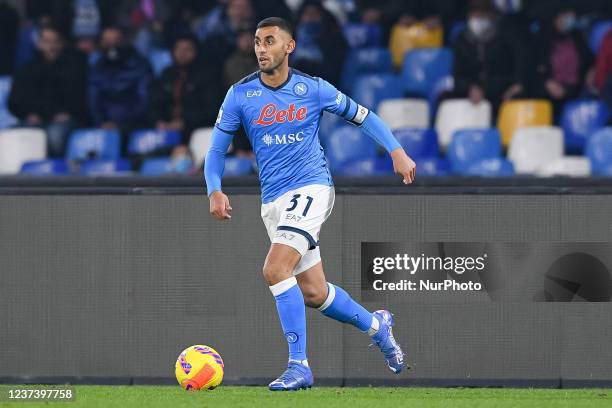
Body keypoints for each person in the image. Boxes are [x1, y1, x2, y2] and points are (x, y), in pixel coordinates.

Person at [204, 17, 416, 391]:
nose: (261, 48)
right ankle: (377, 326)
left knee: (274, 269)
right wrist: (214, 189)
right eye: (257, 41)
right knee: (314, 292)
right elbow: (216, 149)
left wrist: (396, 151)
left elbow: (363, 116)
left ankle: (298, 366)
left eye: (270, 41)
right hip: (273, 201)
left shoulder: (313, 89)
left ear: (289, 47)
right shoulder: (240, 94)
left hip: (312, 188)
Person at [8, 25, 88, 156]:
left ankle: (57, 172)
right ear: (39, 44)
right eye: (46, 42)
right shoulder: (27, 69)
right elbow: (14, 101)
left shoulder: (75, 67)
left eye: (55, 42)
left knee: (55, 137)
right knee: (16, 136)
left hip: (64, 118)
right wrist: (29, 114)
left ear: (62, 44)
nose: (51, 46)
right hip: (34, 118)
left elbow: (79, 98)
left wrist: (68, 113)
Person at [452, 0, 527, 110]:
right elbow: (458, 75)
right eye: (475, 15)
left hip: (502, 93)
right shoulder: (462, 40)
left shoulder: (506, 36)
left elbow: (520, 60)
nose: (478, 19)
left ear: (492, 16)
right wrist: (470, 88)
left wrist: (517, 84)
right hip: (472, 96)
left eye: (483, 15)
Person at [149, 34, 222, 142]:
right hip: (166, 131)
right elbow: (154, 104)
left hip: (198, 131)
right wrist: (158, 121)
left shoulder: (207, 75)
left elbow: (211, 109)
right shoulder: (167, 75)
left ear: (196, 52)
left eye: (187, 49)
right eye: (178, 48)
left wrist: (184, 122)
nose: (182, 53)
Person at [88, 26, 152, 148]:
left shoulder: (140, 64)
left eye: (116, 41)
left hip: (133, 124)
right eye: (107, 41)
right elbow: (93, 99)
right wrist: (102, 122)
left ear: (124, 41)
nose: (112, 45)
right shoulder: (97, 67)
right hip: (103, 125)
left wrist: (121, 124)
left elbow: (144, 99)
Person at [530, 4, 593, 116]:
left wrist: (591, 71)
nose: (569, 18)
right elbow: (531, 69)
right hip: (548, 96)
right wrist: (546, 82)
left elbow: (589, 61)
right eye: (564, 15)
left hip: (576, 93)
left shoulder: (577, 37)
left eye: (570, 14)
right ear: (554, 18)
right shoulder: (541, 40)